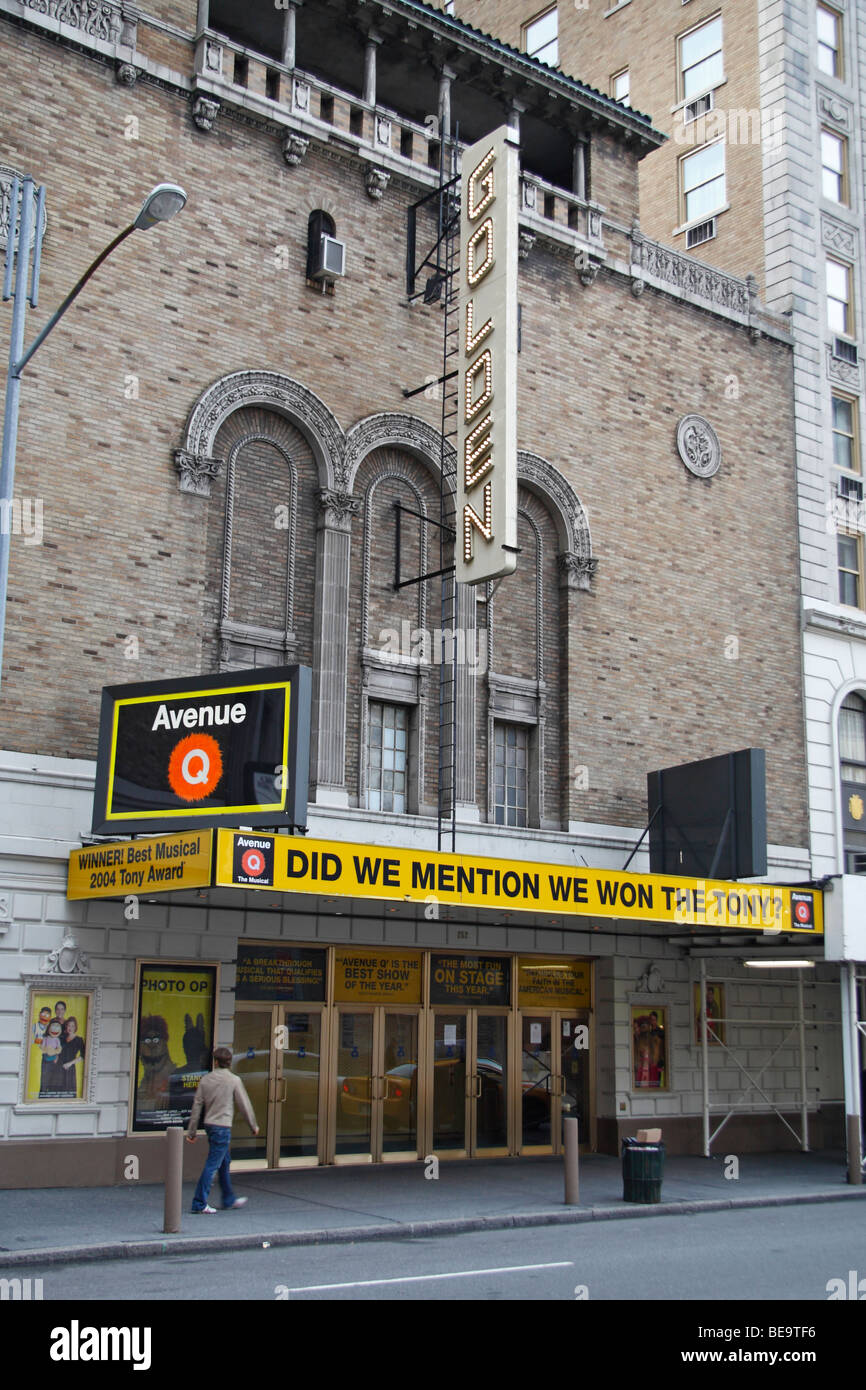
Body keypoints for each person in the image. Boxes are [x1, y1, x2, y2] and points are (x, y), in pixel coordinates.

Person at [186, 1046, 258, 1213]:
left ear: (215, 1061)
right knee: (213, 1164)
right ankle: (199, 1203)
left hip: (210, 1125)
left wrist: (192, 1132)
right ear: (229, 1062)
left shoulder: (206, 1080)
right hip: (223, 1126)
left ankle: (228, 1198)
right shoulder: (233, 1080)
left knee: (224, 1162)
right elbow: (244, 1105)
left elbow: (197, 1106)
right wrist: (253, 1126)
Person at [59, 1016, 85, 1096]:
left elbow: (83, 1055)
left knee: (68, 1092)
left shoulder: (79, 1040)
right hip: (58, 1067)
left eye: (72, 1026)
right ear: (66, 1026)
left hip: (70, 1068)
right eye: (68, 1025)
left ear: (75, 1027)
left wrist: (70, 1063)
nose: (70, 1028)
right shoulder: (61, 1038)